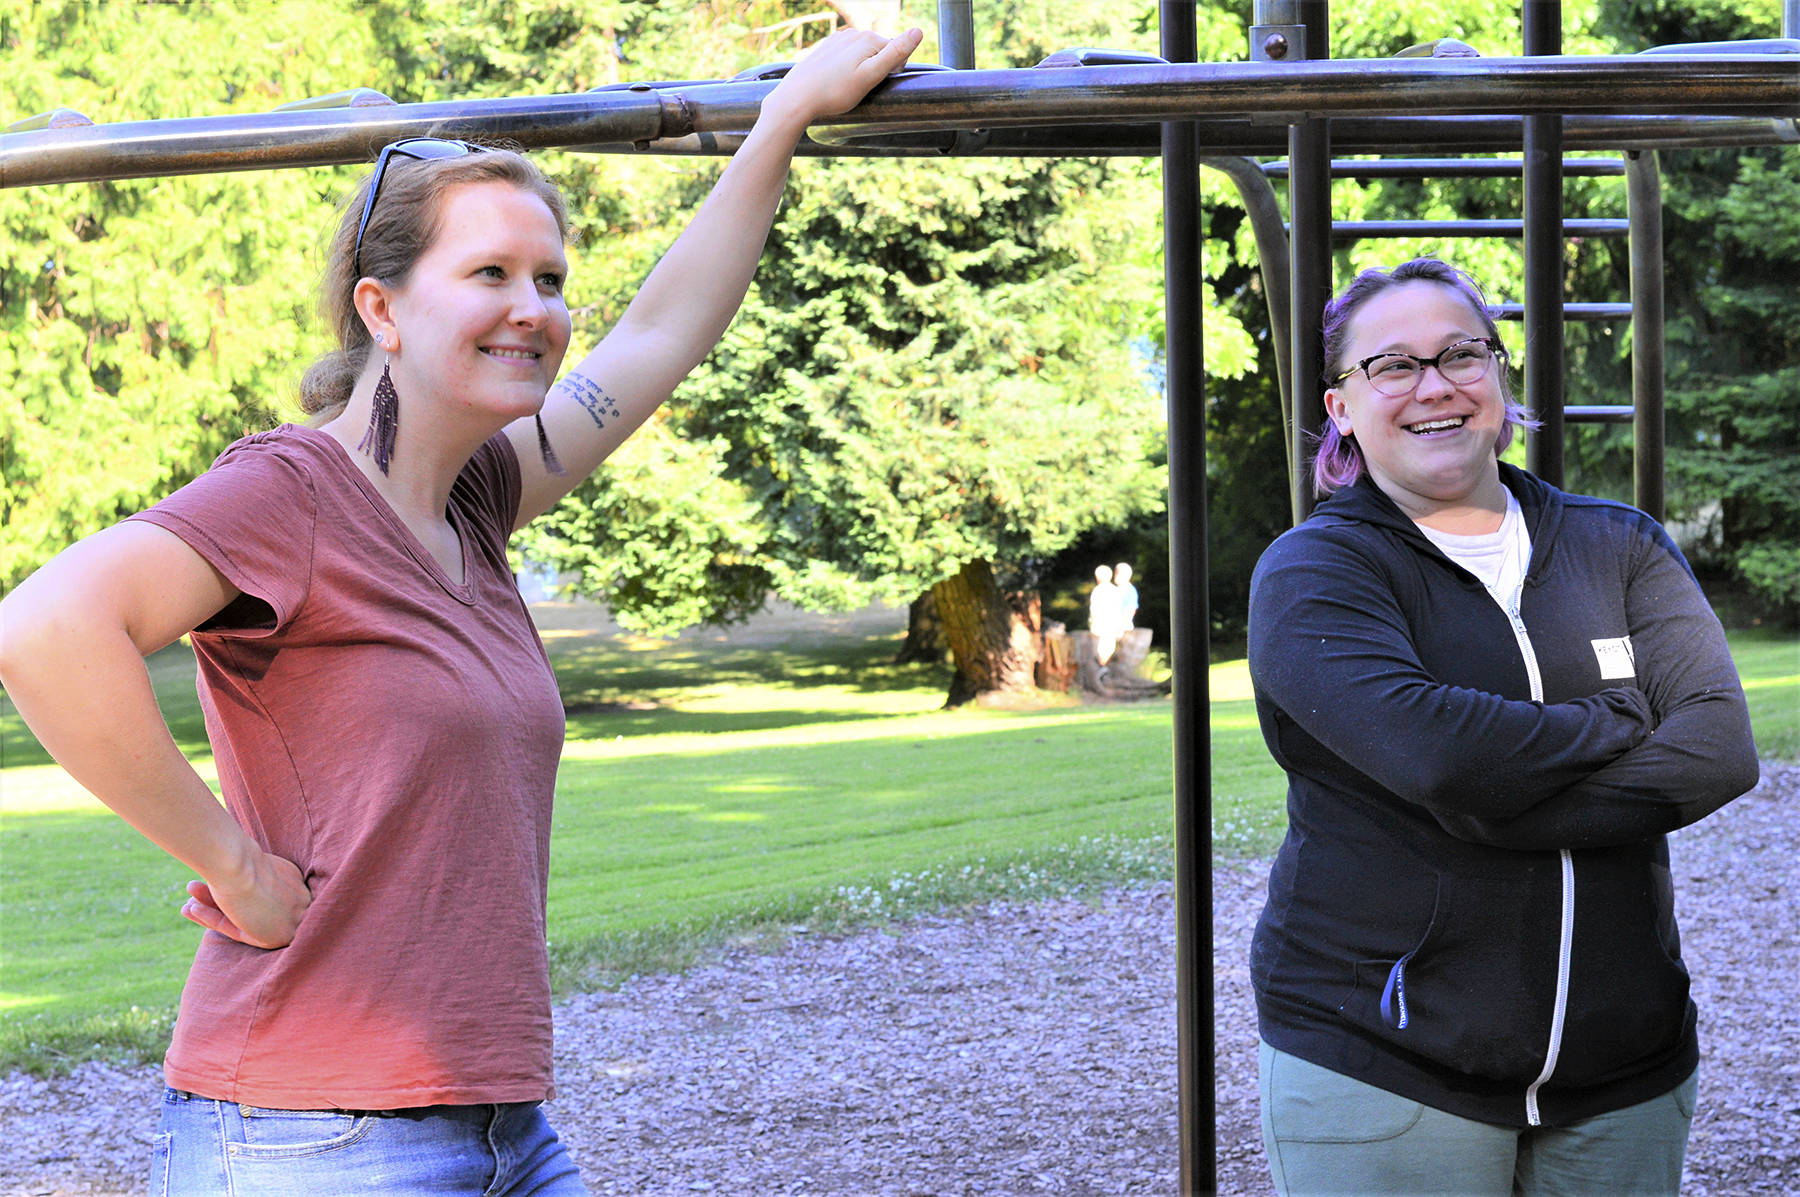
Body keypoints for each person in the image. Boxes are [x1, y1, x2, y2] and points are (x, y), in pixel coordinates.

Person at [0, 26, 921, 1194]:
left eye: (550, 281)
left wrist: (782, 120)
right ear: (381, 309)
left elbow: (660, 331)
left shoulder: (478, 495)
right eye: (489, 274)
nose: (533, 307)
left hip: (501, 1126)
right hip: (308, 1135)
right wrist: (230, 864)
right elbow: (43, 630)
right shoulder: (290, 495)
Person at [1245, 257, 1759, 1196]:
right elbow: (1437, 753)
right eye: (1392, 365)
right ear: (1342, 407)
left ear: (1499, 375)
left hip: (1625, 1074)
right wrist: (1615, 717)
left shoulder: (1620, 543)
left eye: (1461, 354)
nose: (1434, 384)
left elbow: (1719, 748)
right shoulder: (1314, 572)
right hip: (1386, 1068)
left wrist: (1495, 807)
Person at [1089, 563, 1121, 664]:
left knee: (1101, 651)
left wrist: (1092, 624)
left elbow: (1094, 610)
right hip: (1113, 625)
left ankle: (1102, 668)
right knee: (1108, 649)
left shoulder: (1097, 590)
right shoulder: (1115, 590)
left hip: (1101, 626)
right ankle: (1103, 668)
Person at [1113, 561, 1139, 629]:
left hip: (1124, 628)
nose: (1114, 576)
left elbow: (1131, 610)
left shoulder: (1130, 590)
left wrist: (1121, 625)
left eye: (1117, 573)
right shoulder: (1115, 589)